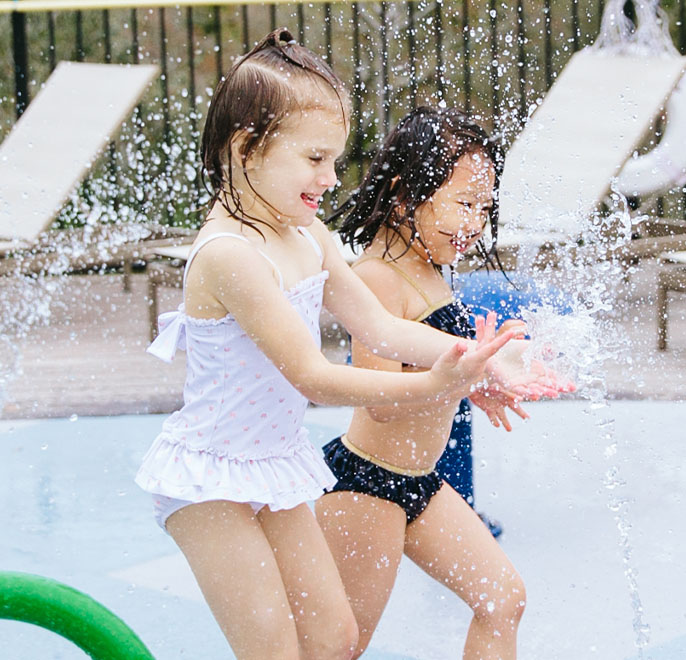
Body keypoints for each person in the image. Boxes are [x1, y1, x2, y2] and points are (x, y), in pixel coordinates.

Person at [134, 31, 546, 660]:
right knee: (274, 650)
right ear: (248, 149)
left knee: (333, 639)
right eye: (316, 158)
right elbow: (313, 376)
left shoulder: (306, 234)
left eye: (335, 159)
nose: (331, 178)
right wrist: (437, 384)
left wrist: (476, 362)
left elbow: (381, 327)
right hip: (209, 479)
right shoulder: (230, 256)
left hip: (274, 464)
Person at [314, 107, 529, 659]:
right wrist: (459, 376)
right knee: (339, 648)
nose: (476, 223)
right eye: (464, 204)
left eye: (485, 208)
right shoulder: (379, 276)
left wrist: (475, 378)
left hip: (419, 483)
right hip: (367, 486)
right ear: (405, 194)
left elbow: (435, 369)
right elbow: (379, 400)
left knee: (502, 599)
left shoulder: (427, 265)